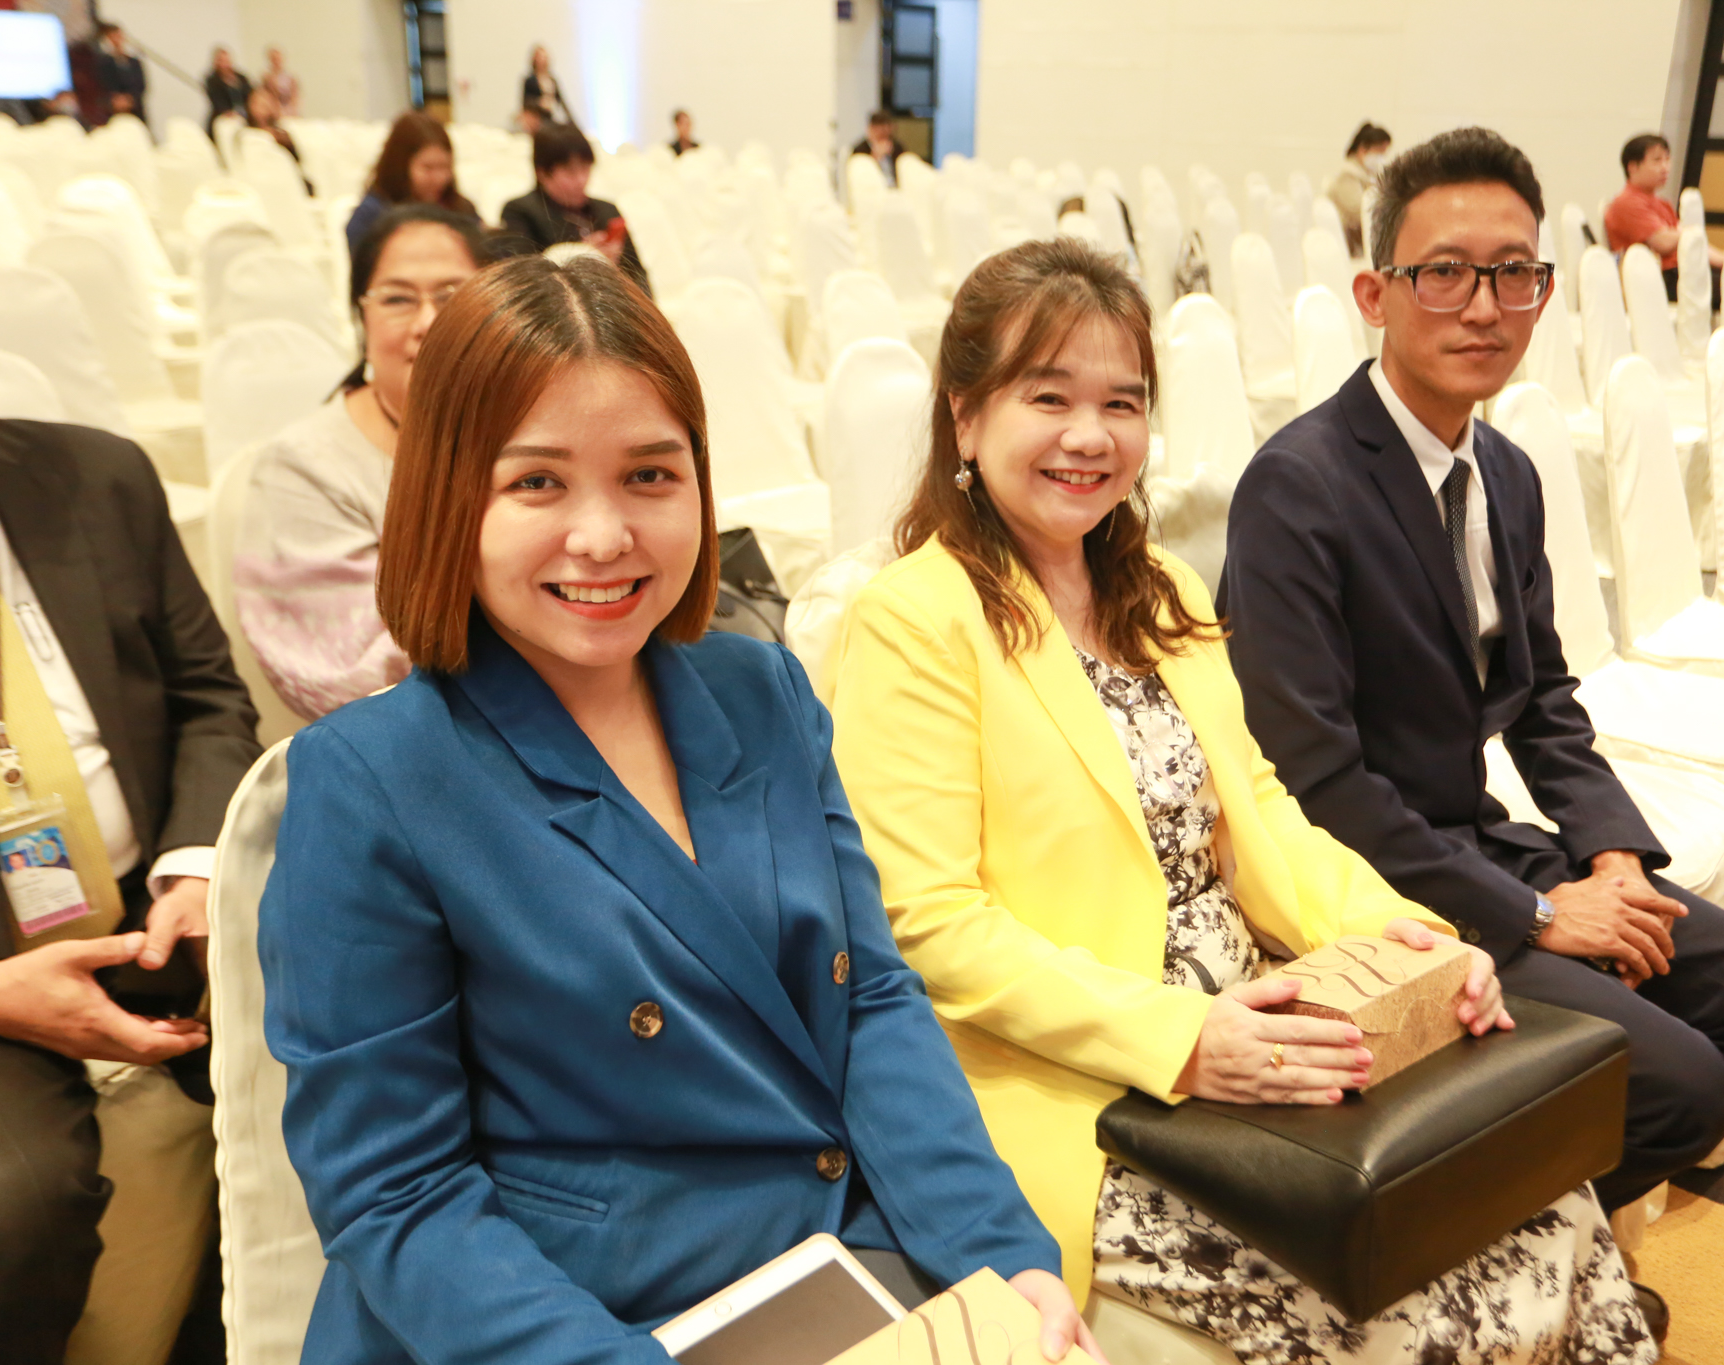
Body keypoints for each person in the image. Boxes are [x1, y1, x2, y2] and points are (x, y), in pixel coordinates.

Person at [257, 251, 1096, 1365]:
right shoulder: (374, 777)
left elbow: (870, 1001)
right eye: (537, 484)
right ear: (449, 496)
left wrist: (1000, 1253)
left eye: (650, 475)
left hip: (824, 1258)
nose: (603, 536)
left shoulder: (761, 689)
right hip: (563, 1321)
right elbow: (396, 1193)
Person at [828, 237, 1656, 1363]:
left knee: (1539, 1195)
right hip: (1087, 1076)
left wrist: (1411, 937)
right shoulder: (913, 621)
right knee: (1420, 1313)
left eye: (1122, 402)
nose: (1090, 435)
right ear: (966, 418)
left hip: (1268, 1018)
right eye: (1048, 398)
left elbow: (1259, 812)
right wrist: (1184, 1040)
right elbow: (931, 925)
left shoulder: (1155, 587)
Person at [1216, 129, 1724, 1283]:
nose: (1484, 307)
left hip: (1483, 843)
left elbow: (1542, 697)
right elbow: (1316, 784)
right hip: (1372, 880)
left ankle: (1529, 1235)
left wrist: (1607, 859)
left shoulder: (1502, 470)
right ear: (1375, 296)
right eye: (1444, 273)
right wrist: (1537, 916)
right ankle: (1510, 1270)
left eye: (1513, 274)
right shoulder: (1297, 486)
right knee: (1683, 1088)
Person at [0, 173, 259, 1362]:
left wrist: (194, 868)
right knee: (6, 1204)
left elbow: (210, 696)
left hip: (155, 924)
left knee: (389, 1054)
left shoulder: (100, 478)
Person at [234, 205, 488, 719]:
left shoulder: (538, 430)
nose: (428, 322)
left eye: (453, 296)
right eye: (397, 299)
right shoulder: (304, 468)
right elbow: (346, 675)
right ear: (361, 317)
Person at [499, 124, 650, 295]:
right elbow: (521, 280)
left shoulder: (608, 210)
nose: (581, 180)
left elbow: (638, 275)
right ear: (542, 174)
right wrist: (583, 256)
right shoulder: (520, 212)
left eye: (586, 169)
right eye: (570, 172)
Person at [344, 111, 479, 259]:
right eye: (428, 168)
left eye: (445, 167)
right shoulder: (372, 215)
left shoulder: (461, 209)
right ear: (400, 166)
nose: (439, 178)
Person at [1604, 134, 1722, 302]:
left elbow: (1689, 241)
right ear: (1633, 167)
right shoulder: (1627, 203)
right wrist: (1688, 232)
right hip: (1656, 280)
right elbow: (1663, 243)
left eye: (1667, 159)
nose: (1665, 167)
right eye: (1657, 160)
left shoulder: (1661, 203)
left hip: (1678, 272)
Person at [1325, 122, 1389, 257]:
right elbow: (1360, 214)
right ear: (1363, 148)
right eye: (1379, 151)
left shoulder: (1367, 173)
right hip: (1350, 246)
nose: (1382, 157)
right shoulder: (1348, 174)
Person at [245, 86, 311, 193]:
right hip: (269, 182)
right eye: (259, 103)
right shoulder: (248, 134)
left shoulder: (283, 132)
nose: (264, 106)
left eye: (267, 102)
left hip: (292, 180)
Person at [95, 23, 147, 123]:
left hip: (135, 109)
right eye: (112, 37)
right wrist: (116, 99)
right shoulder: (101, 62)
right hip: (111, 109)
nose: (116, 40)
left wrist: (130, 98)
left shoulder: (133, 61)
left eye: (118, 36)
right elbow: (102, 83)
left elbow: (141, 84)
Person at [521, 43, 574, 125]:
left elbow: (561, 101)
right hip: (539, 119)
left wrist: (571, 120)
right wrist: (540, 103)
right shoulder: (530, 81)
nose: (542, 60)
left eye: (544, 57)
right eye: (540, 57)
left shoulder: (552, 80)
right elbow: (526, 102)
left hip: (554, 116)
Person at [203, 46, 252, 135]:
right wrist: (228, 112)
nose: (224, 63)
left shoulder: (241, 78)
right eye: (221, 60)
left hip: (245, 116)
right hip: (224, 117)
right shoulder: (212, 80)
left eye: (226, 60)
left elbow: (250, 95)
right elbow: (216, 100)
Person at [852, 110, 906, 186]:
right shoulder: (860, 149)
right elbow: (859, 175)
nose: (883, 133)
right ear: (871, 129)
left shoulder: (897, 147)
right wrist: (876, 156)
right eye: (880, 129)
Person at [261, 45, 300, 116]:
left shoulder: (291, 77)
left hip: (289, 109)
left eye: (278, 58)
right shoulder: (266, 77)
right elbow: (268, 95)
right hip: (274, 109)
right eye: (274, 59)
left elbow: (295, 95)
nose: (276, 61)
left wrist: (293, 109)